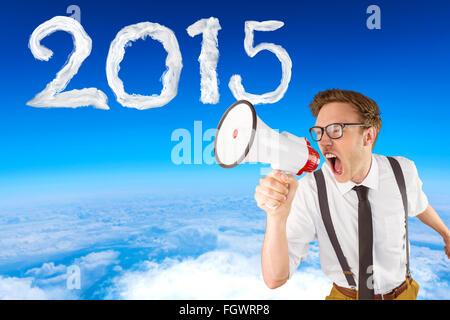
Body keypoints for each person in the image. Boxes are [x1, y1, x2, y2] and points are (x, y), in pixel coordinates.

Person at [255, 89, 450, 300]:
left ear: (368, 136)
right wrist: (276, 216)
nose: (323, 142)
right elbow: (275, 279)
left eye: (335, 130)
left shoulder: (402, 170)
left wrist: (446, 234)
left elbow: (420, 205)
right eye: (319, 131)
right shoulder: (309, 189)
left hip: (404, 293)